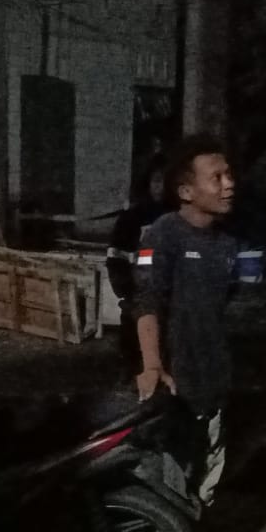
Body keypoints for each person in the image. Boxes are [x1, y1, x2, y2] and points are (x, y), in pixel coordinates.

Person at [133, 135, 246, 532]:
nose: (228, 184)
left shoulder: (228, 245)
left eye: (229, 174)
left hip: (213, 382)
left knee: (207, 482)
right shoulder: (163, 235)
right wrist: (152, 366)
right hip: (174, 384)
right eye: (216, 177)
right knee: (169, 480)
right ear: (185, 191)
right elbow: (145, 302)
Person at [106, 151, 170, 378]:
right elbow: (116, 256)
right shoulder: (132, 218)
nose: (161, 187)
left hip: (171, 298)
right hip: (138, 293)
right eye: (157, 180)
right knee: (133, 341)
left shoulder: (182, 218)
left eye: (167, 181)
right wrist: (125, 290)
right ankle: (131, 374)